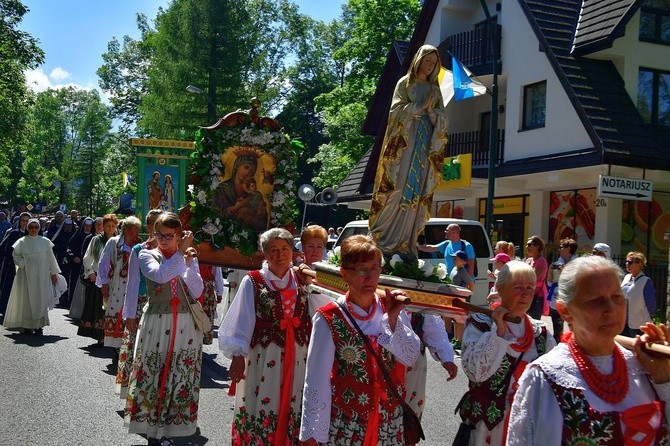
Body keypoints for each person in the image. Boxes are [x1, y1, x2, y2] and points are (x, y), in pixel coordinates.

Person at [507, 256, 670, 445]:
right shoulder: (545, 377)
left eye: (617, 298)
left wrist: (664, 376)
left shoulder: (644, 367)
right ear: (565, 310)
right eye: (596, 301)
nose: (610, 309)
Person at [299, 234, 420, 445]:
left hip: (388, 423)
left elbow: (410, 357)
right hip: (347, 424)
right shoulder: (329, 317)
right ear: (344, 274)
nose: (370, 277)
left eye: (375, 269)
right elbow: (316, 381)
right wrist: (311, 435)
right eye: (362, 270)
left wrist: (392, 321)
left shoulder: (391, 309)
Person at [219, 228, 312, 445]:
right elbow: (241, 319)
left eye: (284, 249)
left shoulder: (302, 280)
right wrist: (238, 356)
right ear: (265, 253)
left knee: (293, 400)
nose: (280, 255)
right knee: (262, 399)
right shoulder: (253, 281)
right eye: (273, 250)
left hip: (298, 355)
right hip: (264, 356)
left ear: (293, 252)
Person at [124, 212, 203, 446]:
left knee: (178, 372)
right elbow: (160, 276)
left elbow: (197, 290)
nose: (164, 239)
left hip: (185, 321)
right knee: (155, 370)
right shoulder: (147, 254)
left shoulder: (187, 256)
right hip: (158, 320)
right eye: (159, 234)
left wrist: (188, 264)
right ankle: (150, 426)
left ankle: (172, 426)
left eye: (169, 235)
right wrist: (128, 314)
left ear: (179, 235)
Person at [456, 260, 555, 446]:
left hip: (524, 426)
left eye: (530, 287)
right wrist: (499, 332)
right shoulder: (482, 324)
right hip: (486, 427)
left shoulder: (541, 334)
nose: (525, 294)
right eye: (518, 287)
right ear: (500, 289)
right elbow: (475, 373)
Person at [369, 44, 448, 263]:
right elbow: (395, 113)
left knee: (417, 192)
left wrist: (432, 113)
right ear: (418, 61)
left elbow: (442, 122)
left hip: (423, 146)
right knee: (398, 186)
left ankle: (406, 242)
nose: (430, 66)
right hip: (405, 143)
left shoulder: (435, 90)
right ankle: (383, 239)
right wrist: (418, 107)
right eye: (427, 61)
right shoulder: (405, 84)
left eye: (434, 63)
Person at [118, 210, 162, 398]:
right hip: (142, 302)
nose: (155, 227)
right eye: (152, 223)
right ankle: (135, 391)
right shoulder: (139, 250)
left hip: (165, 305)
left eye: (159, 223)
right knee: (138, 346)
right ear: (147, 225)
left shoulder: (172, 250)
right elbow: (133, 283)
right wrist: (129, 314)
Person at [2, 218, 60, 335]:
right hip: (25, 276)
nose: (33, 229)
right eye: (31, 227)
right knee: (27, 300)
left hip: (42, 276)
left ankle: (39, 326)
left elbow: (51, 259)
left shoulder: (45, 241)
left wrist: (54, 273)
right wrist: (23, 264)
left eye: (36, 227)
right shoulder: (21, 242)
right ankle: (27, 326)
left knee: (40, 299)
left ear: (39, 228)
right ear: (27, 228)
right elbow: (15, 256)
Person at [97, 216, 142, 348]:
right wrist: (104, 282)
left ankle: (127, 344)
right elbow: (103, 263)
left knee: (130, 313)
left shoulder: (139, 245)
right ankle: (116, 346)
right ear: (127, 230)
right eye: (135, 229)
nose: (138, 232)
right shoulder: (114, 242)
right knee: (115, 312)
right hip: (116, 285)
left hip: (133, 286)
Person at [405, 312, 457, 421]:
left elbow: (432, 326)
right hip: (383, 359)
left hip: (413, 365)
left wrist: (446, 357)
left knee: (410, 410)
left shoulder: (420, 299)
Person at [78, 214, 118, 345]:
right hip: (98, 278)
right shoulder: (96, 240)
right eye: (107, 226)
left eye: (112, 226)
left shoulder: (119, 241)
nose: (110, 228)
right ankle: (99, 335)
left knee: (111, 307)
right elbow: (87, 257)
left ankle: (111, 334)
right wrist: (90, 273)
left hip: (114, 279)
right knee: (97, 307)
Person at [68, 217, 102, 321]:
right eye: (97, 224)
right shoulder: (89, 238)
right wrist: (74, 257)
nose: (99, 227)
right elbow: (85, 254)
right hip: (86, 269)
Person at [546, 237, 577, 343]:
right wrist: (550, 271)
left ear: (569, 249)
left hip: (572, 301)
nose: (559, 249)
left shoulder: (577, 264)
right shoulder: (557, 263)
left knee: (574, 329)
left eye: (561, 247)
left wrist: (565, 271)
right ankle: (558, 345)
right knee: (557, 330)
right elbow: (549, 283)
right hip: (557, 300)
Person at [0, 212, 30, 317]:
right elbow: (7, 250)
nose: (25, 223)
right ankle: (6, 311)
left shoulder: (33, 234)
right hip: (12, 266)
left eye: (27, 221)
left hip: (28, 268)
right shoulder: (14, 233)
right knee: (9, 288)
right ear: (19, 221)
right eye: (23, 221)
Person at [621, 251, 656, 338]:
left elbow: (651, 304)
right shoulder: (626, 278)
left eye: (630, 262)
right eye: (626, 261)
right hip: (623, 321)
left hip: (639, 323)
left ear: (640, 264)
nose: (627, 264)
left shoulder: (646, 281)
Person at [64, 217, 93, 307]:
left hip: (90, 267)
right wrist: (74, 257)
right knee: (74, 285)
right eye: (86, 225)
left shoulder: (94, 238)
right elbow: (69, 249)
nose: (87, 228)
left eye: (90, 226)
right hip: (77, 265)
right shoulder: (77, 236)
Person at [524, 235, 548, 320]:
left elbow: (534, 278)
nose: (527, 247)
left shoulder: (541, 261)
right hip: (527, 294)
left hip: (537, 296)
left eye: (530, 244)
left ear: (537, 246)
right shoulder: (528, 260)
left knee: (534, 322)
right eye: (527, 245)